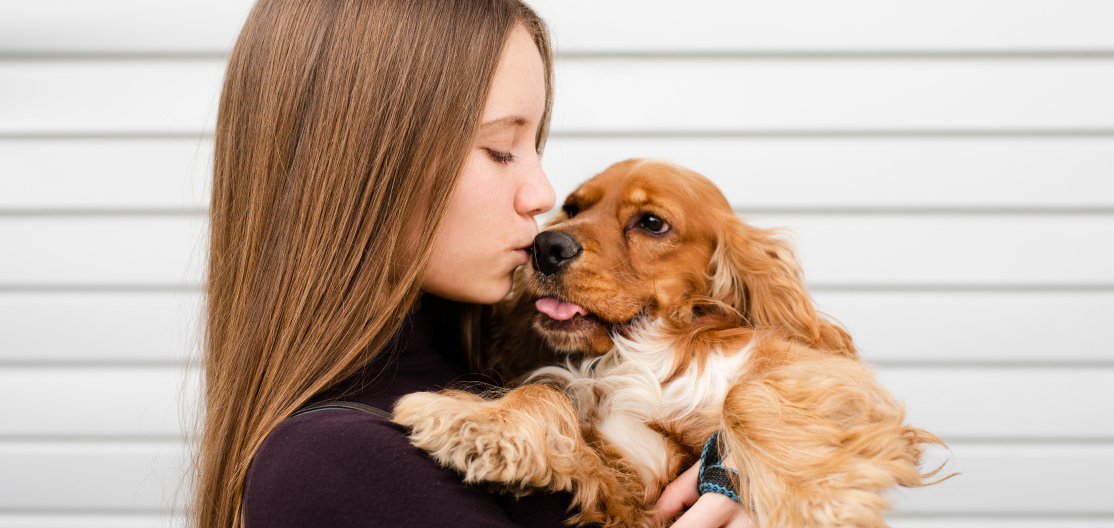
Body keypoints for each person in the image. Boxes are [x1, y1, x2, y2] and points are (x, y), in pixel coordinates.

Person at [193, 0, 750, 526]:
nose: (542, 195)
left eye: (537, 148)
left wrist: (756, 455)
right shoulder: (334, 464)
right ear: (362, 164)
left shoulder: (505, 361)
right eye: (501, 150)